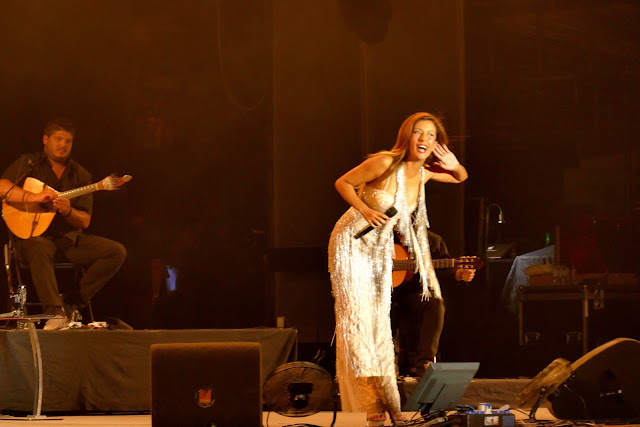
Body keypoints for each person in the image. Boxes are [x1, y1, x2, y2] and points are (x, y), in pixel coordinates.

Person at [329, 112, 468, 426]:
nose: (424, 139)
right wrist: (364, 209)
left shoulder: (424, 175)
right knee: (360, 325)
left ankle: (388, 404)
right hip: (351, 243)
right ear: (407, 136)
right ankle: (370, 405)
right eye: (419, 132)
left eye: (431, 135)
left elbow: (461, 177)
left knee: (378, 326)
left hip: (378, 250)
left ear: (437, 143)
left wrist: (455, 164)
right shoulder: (385, 163)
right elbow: (343, 182)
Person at [0, 118, 127, 330]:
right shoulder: (29, 163)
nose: (63, 145)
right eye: (58, 139)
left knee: (116, 251)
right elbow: (3, 186)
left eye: (68, 141)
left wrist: (68, 211)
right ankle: (55, 313)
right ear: (45, 140)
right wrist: (34, 197)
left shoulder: (80, 174)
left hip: (67, 242)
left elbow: (84, 220)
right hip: (32, 241)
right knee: (38, 245)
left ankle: (71, 303)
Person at [392, 230, 476, 379]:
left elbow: (446, 268)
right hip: (385, 293)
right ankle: (389, 361)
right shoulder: (380, 237)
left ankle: (425, 362)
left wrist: (460, 274)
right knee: (385, 306)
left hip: (415, 292)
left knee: (435, 303)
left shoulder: (431, 240)